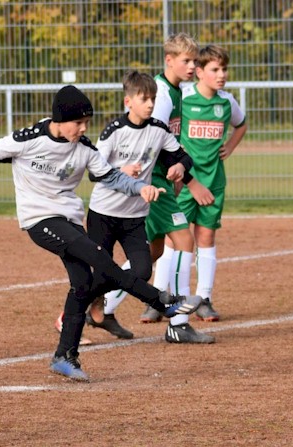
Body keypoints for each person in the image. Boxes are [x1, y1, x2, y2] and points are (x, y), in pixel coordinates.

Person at [0, 85, 202, 382]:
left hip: (69, 219)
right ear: (59, 119)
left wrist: (140, 187)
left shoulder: (84, 147)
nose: (83, 129)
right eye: (78, 123)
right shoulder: (28, 139)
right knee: (101, 259)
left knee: (83, 283)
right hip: (39, 219)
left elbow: (110, 176)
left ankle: (64, 356)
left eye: (86, 123)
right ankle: (162, 301)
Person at [88, 33, 216, 344]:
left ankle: (103, 305)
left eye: (194, 61)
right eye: (186, 61)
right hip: (152, 184)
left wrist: (182, 168)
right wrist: (188, 181)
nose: (192, 66)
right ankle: (178, 321)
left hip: (159, 181)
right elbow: (150, 145)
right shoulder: (161, 95)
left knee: (154, 251)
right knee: (184, 241)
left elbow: (172, 149)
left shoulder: (175, 91)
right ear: (169, 60)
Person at [173, 44, 248, 320]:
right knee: (176, 239)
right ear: (200, 72)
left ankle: (204, 298)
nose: (222, 74)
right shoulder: (184, 97)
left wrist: (230, 145)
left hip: (213, 181)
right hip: (185, 181)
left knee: (206, 236)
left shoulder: (227, 102)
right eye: (215, 69)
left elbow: (241, 124)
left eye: (224, 69)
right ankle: (163, 297)